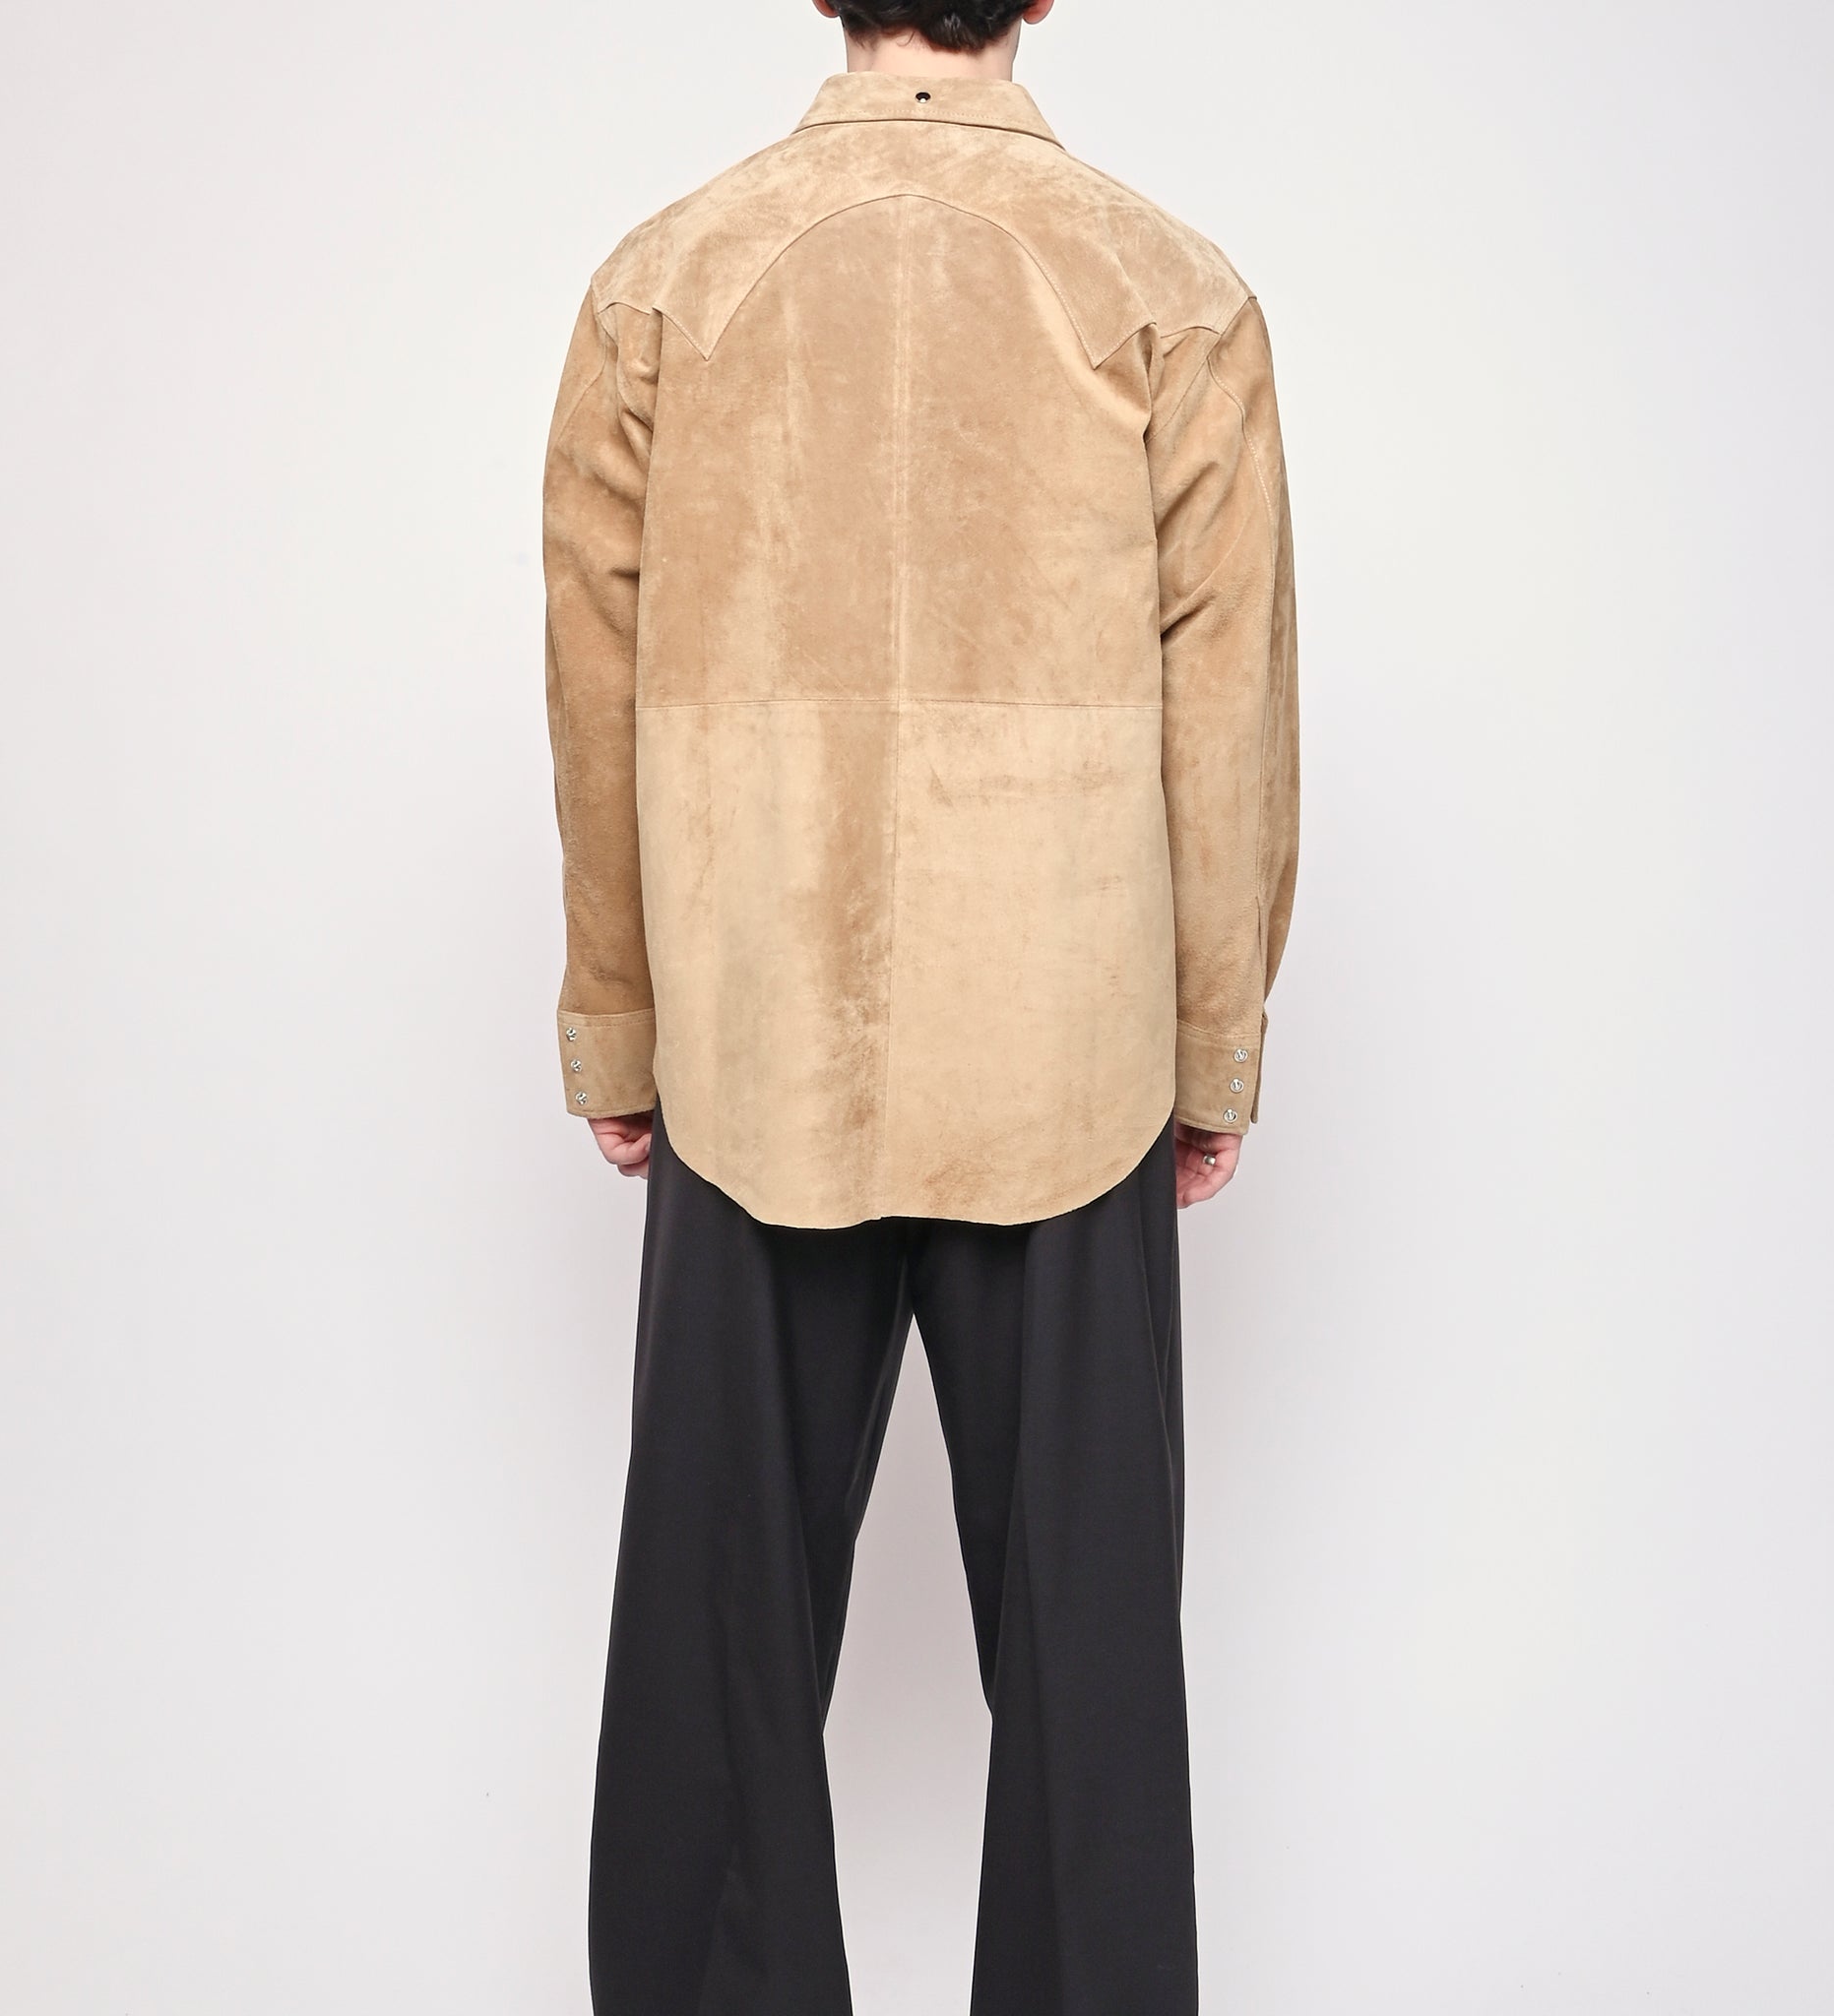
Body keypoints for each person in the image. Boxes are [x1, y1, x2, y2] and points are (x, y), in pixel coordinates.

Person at [540, 1, 1298, 2007]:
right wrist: (1210, 1051)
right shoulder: (1168, 290)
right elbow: (1225, 712)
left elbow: (593, 686)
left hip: (752, 1041)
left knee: (711, 1660)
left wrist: (622, 1018)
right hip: (1070, 1051)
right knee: (1089, 1677)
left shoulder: (666, 280)